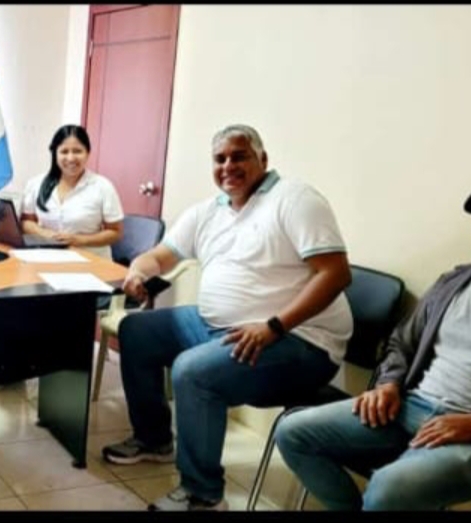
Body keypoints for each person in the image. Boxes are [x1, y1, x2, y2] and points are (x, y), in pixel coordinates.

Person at [274, 181, 471, 510]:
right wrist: (388, 383)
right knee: (292, 432)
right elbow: (402, 343)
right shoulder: (453, 282)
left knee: (388, 489)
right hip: (410, 406)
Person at [100, 124, 354, 511]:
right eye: (220, 159)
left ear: (263, 159)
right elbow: (160, 257)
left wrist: (273, 326)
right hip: (218, 326)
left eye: (239, 156)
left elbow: (335, 274)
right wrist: (138, 271)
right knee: (137, 329)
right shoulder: (209, 211)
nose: (228, 166)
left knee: (193, 372)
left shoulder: (294, 199)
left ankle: (203, 494)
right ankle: (154, 440)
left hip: (299, 340)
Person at [20, 124, 124, 259]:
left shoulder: (103, 187)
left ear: (87, 153)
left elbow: (115, 232)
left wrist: (79, 240)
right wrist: (46, 234)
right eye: (64, 152)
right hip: (47, 257)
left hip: (90, 261)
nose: (71, 158)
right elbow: (26, 223)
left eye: (77, 151)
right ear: (55, 154)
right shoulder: (36, 183)